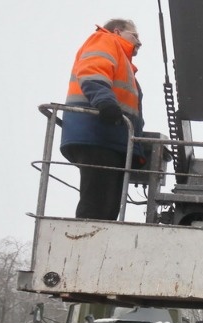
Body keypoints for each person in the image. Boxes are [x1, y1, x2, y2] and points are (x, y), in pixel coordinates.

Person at [60, 19, 146, 221]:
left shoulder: (124, 63)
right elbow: (92, 70)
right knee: (97, 204)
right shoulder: (105, 40)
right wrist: (105, 102)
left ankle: (93, 243)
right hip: (97, 135)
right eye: (134, 36)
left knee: (107, 206)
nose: (139, 43)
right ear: (117, 31)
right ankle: (85, 243)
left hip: (108, 139)